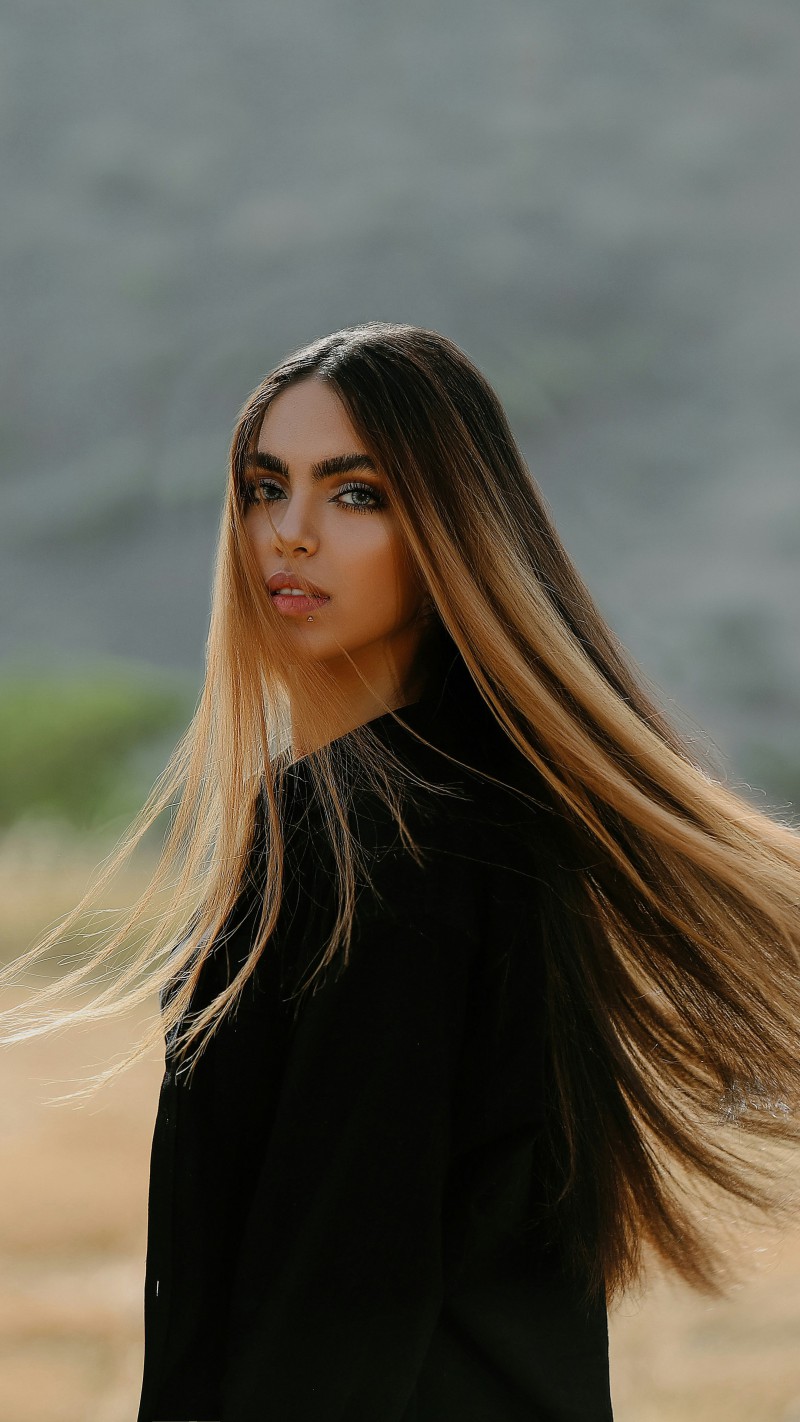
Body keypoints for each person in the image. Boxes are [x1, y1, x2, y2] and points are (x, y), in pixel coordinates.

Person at [2, 321, 800, 1422]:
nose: (288, 534)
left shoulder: (391, 836)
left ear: (449, 532)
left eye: (354, 494)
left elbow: (336, 1295)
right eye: (263, 486)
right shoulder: (466, 809)